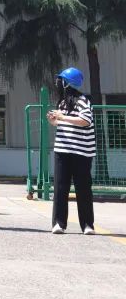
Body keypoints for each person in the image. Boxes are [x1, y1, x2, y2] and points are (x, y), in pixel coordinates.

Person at [48, 67, 96, 235]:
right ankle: (58, 223)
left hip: (82, 152)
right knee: (60, 187)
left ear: (67, 83)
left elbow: (85, 120)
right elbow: (62, 124)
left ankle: (87, 225)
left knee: (83, 189)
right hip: (62, 150)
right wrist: (54, 121)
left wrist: (62, 117)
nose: (58, 83)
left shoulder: (83, 101)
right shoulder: (62, 103)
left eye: (61, 80)